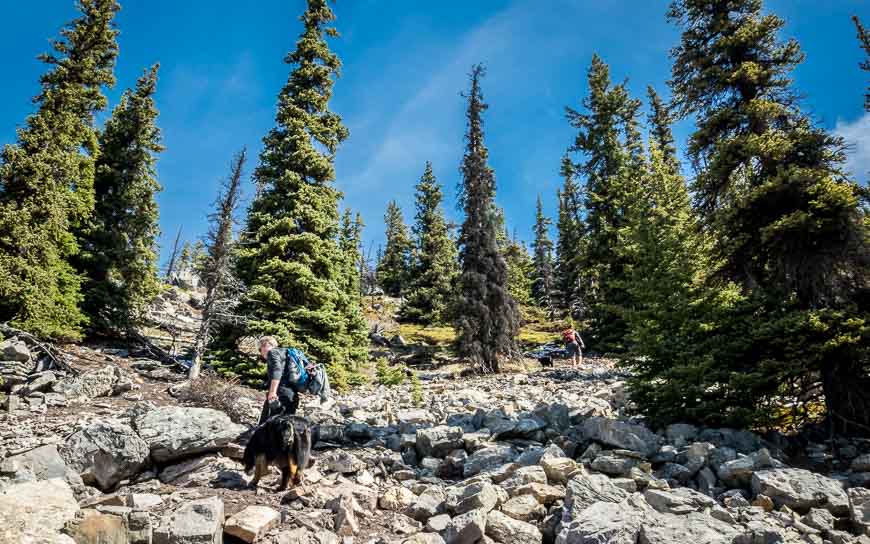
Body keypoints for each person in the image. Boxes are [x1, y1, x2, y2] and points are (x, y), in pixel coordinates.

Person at [258, 336, 304, 424]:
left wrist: (272, 392)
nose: (261, 351)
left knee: (266, 426)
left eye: (261, 348)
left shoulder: (272, 353)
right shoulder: (284, 353)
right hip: (292, 396)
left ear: (266, 345)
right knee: (285, 428)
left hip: (280, 395)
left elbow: (277, 371)